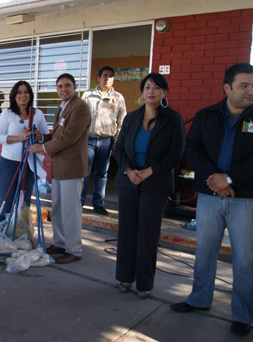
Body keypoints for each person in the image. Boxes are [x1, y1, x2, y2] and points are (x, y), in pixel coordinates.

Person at [171, 63, 253, 336]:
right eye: (244, 85)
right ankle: (199, 299)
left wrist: (229, 179)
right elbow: (192, 148)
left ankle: (243, 314)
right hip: (209, 196)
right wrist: (215, 180)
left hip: (245, 198)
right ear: (227, 88)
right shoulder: (207, 116)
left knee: (245, 260)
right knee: (205, 252)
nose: (250, 91)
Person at [113, 73, 184, 299]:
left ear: (164, 92)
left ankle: (144, 283)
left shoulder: (173, 119)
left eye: (156, 87)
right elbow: (120, 149)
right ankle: (124, 277)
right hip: (129, 181)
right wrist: (129, 171)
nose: (151, 91)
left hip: (156, 182)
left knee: (147, 233)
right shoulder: (131, 118)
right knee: (126, 230)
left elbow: (176, 154)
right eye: (147, 87)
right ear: (142, 92)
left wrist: (151, 170)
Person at [29, 73, 91, 264]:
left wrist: (43, 147)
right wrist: (42, 138)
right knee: (57, 208)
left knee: (71, 210)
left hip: (72, 167)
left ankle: (74, 249)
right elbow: (58, 135)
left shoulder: (80, 107)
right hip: (59, 167)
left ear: (74, 86)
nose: (63, 89)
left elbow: (69, 137)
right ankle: (60, 242)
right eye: (60, 86)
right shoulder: (62, 107)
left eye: (67, 85)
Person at [0, 80, 50, 222]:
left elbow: (47, 137)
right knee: (5, 200)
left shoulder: (37, 114)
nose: (23, 95)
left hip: (29, 164)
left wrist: (39, 136)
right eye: (19, 92)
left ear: (30, 95)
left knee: (24, 203)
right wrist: (18, 138)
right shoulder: (8, 114)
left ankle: (21, 235)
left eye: (26, 92)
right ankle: (1, 234)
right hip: (9, 163)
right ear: (14, 96)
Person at [81, 66, 127, 215]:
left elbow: (122, 122)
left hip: (107, 141)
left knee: (102, 174)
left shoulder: (118, 98)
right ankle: (79, 202)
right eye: (104, 75)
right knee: (85, 172)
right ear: (98, 78)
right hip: (89, 139)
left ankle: (98, 203)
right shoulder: (88, 95)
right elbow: (79, 117)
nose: (107, 79)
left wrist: (117, 141)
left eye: (110, 76)